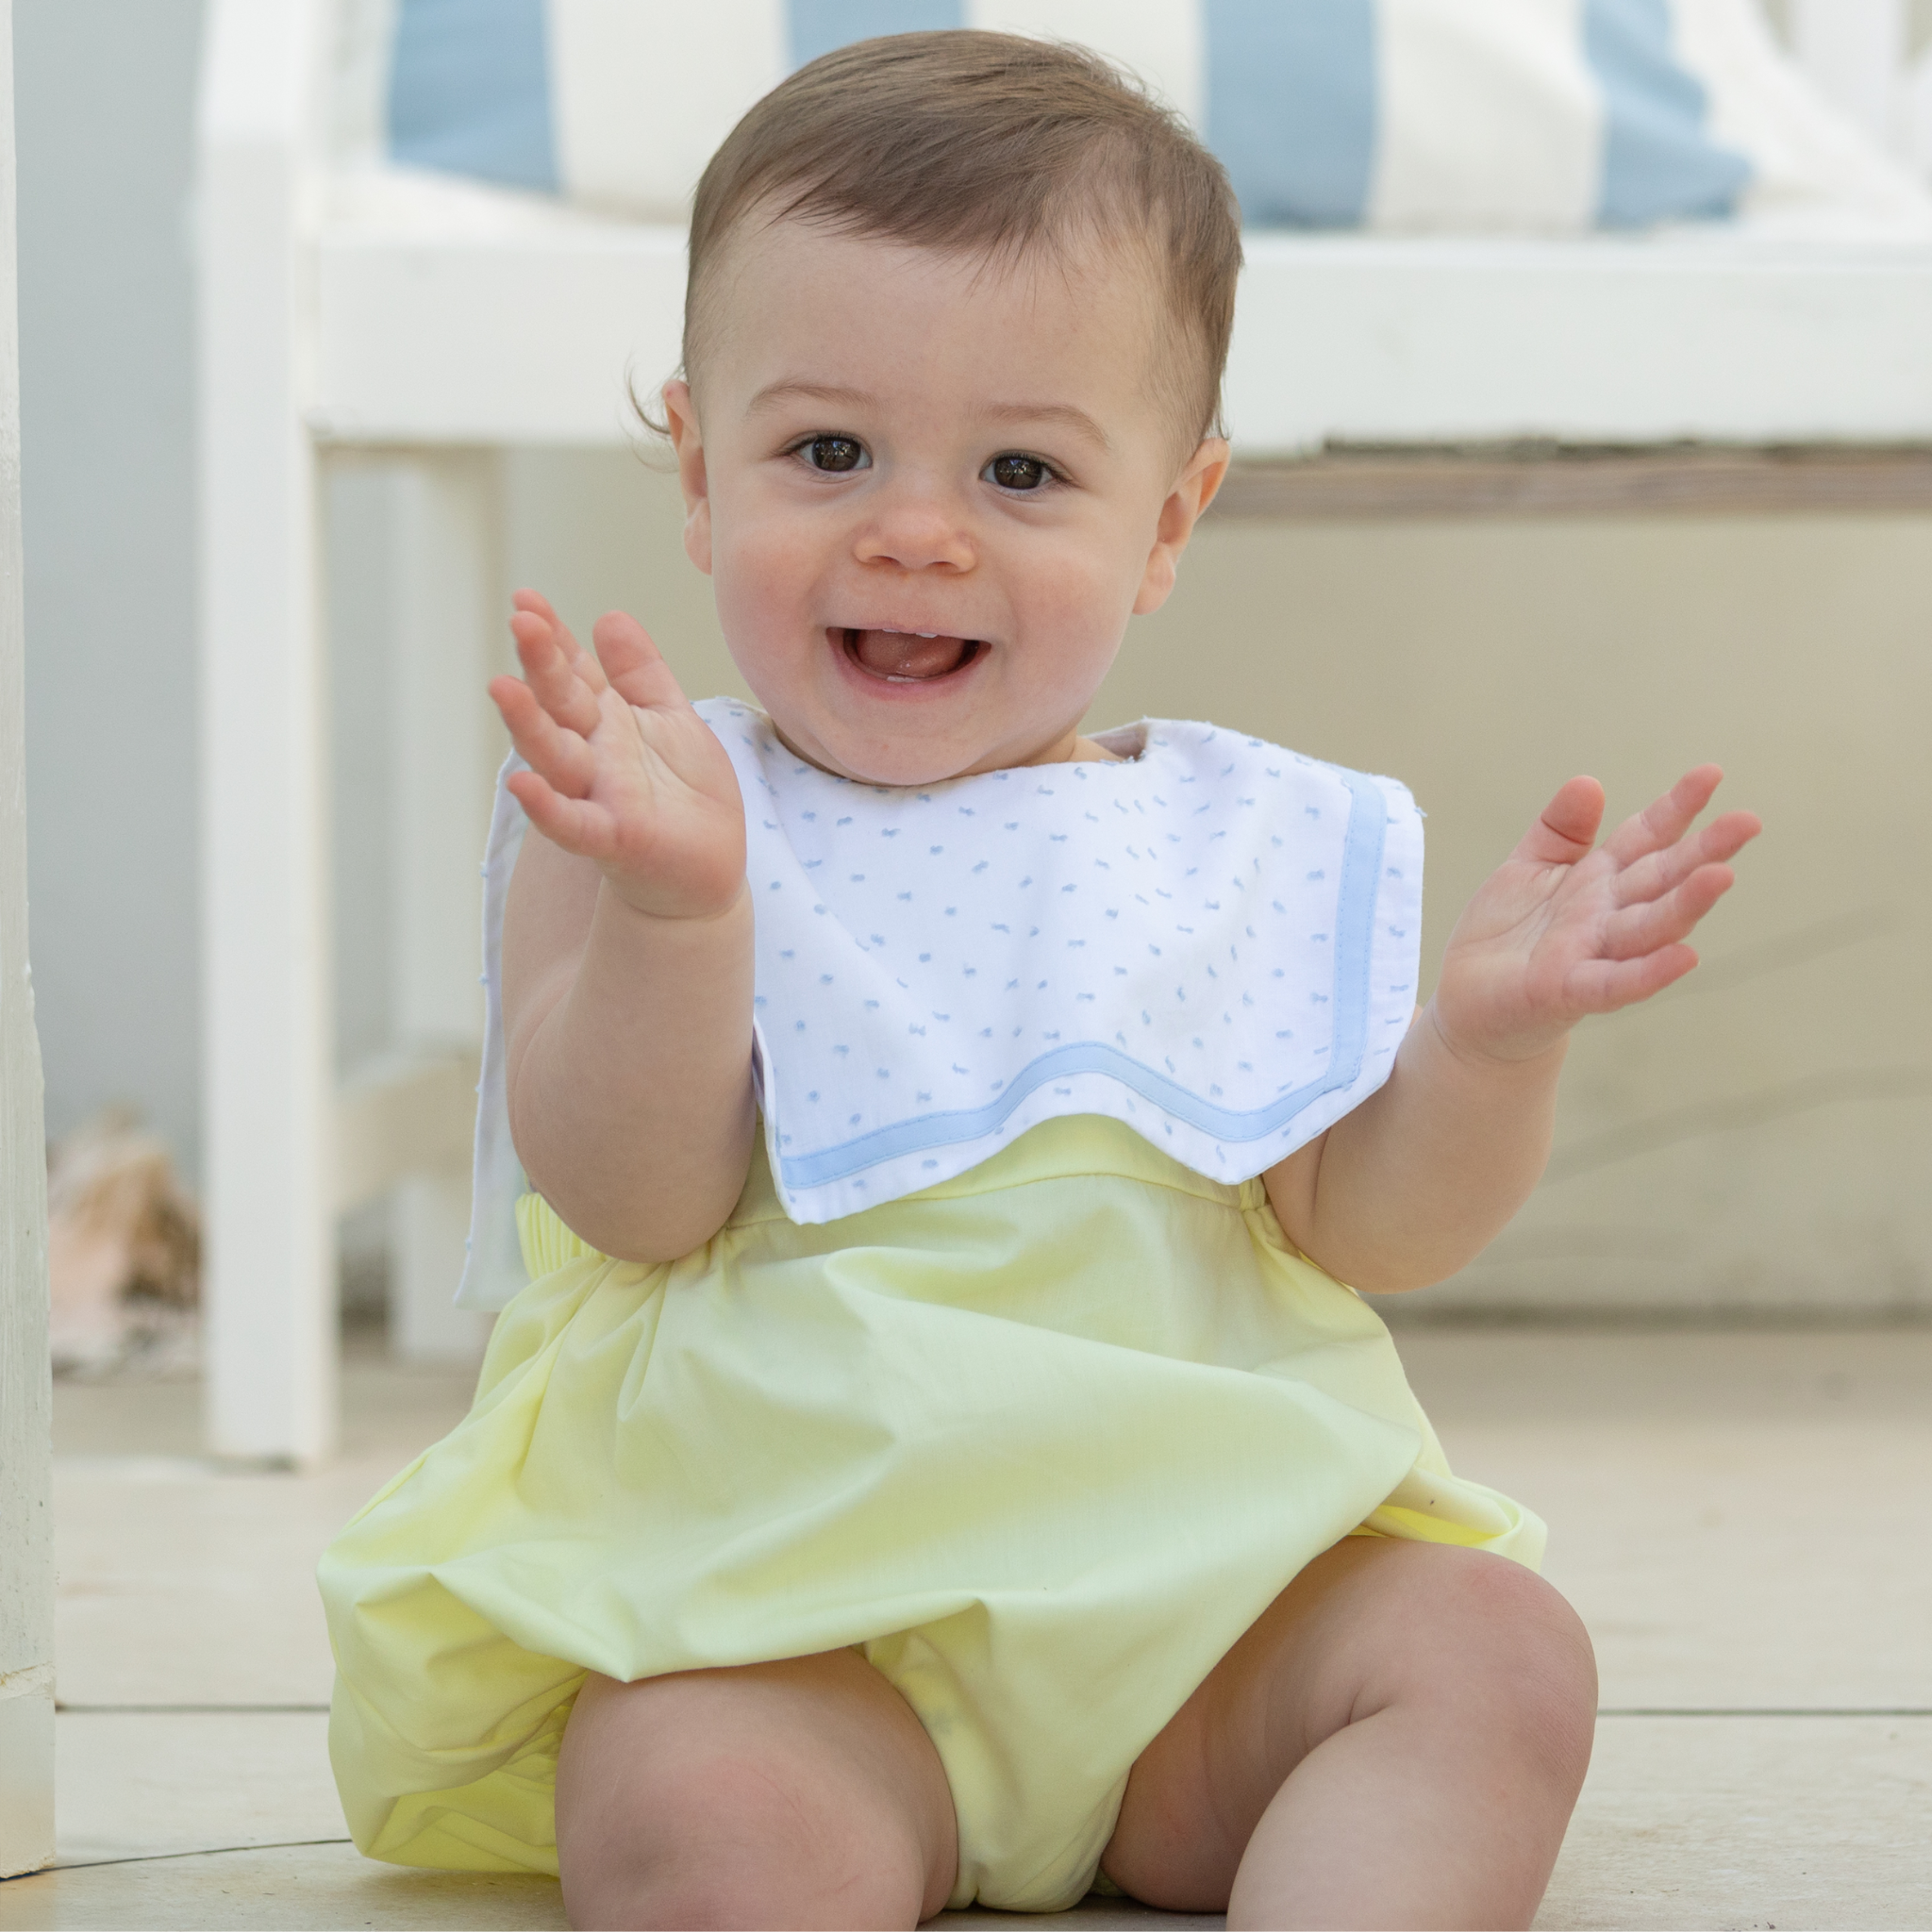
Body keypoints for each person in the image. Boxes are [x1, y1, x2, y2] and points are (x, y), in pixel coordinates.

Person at [320, 32, 1758, 1930]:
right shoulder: (670, 812)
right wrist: (679, 920)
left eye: (1020, 468)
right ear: (695, 463)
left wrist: (1482, 1050)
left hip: (1198, 1621)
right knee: (692, 1797)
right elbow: (635, 1198)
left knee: (1496, 1653)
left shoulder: (1234, 840)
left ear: (1167, 519)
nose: (916, 529)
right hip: (791, 1610)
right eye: (826, 450)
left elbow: (1369, 1223)